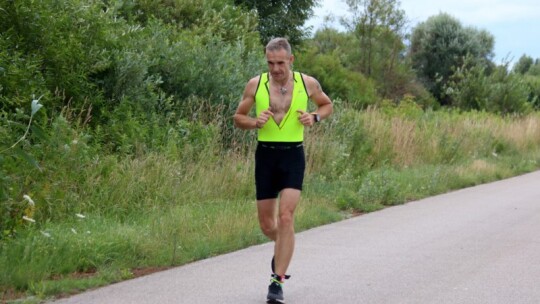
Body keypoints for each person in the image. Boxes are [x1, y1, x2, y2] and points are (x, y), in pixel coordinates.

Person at [233, 37, 333, 303]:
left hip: (292, 156)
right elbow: (238, 117)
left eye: (280, 62)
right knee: (268, 225)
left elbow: (327, 105)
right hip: (265, 156)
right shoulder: (256, 84)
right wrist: (254, 122)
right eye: (270, 62)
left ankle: (276, 282)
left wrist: (315, 117)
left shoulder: (306, 83)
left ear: (291, 60)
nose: (275, 68)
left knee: (286, 217)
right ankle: (284, 245)